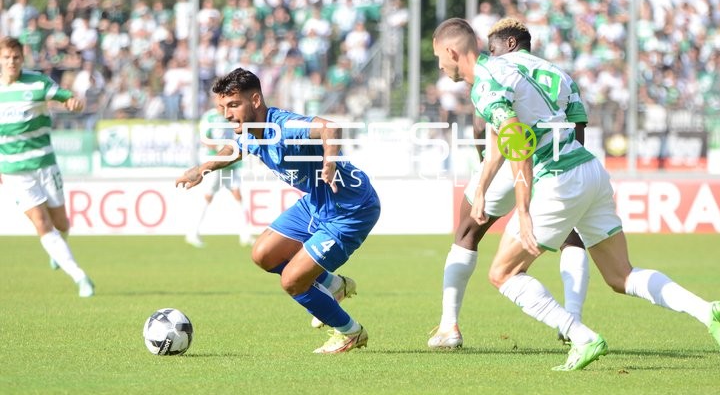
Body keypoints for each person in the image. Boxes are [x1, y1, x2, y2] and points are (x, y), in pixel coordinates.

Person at [432, 18, 720, 371]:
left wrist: (522, 209)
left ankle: (581, 336)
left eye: (438, 58)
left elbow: (516, 143)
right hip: (589, 169)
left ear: (451, 51)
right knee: (621, 275)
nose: (440, 66)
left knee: (503, 273)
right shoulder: (549, 71)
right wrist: (485, 185)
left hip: (556, 177)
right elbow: (515, 137)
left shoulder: (488, 79)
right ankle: (707, 311)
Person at [176, 68, 381, 354]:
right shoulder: (251, 132)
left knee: (293, 282)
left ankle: (350, 332)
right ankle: (335, 285)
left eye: (234, 105)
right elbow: (234, 149)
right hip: (316, 203)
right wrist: (202, 169)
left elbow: (330, 127)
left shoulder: (283, 126)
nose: (227, 114)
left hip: (350, 208)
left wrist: (330, 162)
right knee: (263, 253)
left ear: (256, 100)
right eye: (223, 107)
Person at [429, 18, 590, 349]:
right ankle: (573, 318)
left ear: (511, 44)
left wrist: (482, 173)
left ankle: (449, 326)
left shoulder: (495, 71)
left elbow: (482, 126)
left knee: (467, 233)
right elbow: (579, 127)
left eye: (493, 48)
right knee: (571, 238)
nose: (489, 53)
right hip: (557, 163)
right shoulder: (561, 75)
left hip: (508, 159)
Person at [0, 37, 94, 297]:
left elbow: (68, 98)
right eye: (6, 57)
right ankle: (80, 277)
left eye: (16, 57)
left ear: (22, 58)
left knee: (61, 223)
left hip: (44, 163)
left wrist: (73, 103)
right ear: (0, 59)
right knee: (41, 223)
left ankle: (59, 250)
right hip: (14, 171)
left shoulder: (38, 83)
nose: (11, 61)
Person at [185, 97, 253, 248]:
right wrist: (218, 147)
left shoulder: (232, 116)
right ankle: (193, 231)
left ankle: (245, 234)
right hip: (215, 163)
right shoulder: (209, 117)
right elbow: (204, 138)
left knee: (238, 195)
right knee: (208, 195)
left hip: (230, 163)